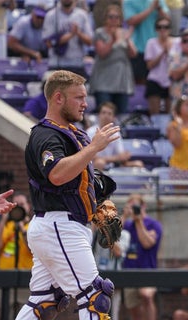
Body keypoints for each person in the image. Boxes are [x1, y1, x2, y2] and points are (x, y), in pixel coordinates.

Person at [17, 70, 121, 320]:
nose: (85, 104)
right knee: (96, 297)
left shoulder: (73, 133)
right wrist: (95, 148)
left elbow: (78, 180)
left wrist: (101, 199)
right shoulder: (45, 134)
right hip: (59, 225)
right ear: (58, 98)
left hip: (59, 225)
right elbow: (56, 174)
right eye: (78, 97)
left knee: (43, 304)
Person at [0, 193, 34, 319]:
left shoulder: (32, 227)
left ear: (28, 207)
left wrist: (21, 226)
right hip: (6, 282)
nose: (18, 208)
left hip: (26, 283)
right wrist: (4, 219)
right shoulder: (7, 227)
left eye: (21, 205)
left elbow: (33, 250)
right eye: (15, 205)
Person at [89, 4, 137, 115]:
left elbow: (133, 54)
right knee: (105, 113)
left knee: (122, 115)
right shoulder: (99, 33)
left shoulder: (124, 33)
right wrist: (113, 39)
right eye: (111, 17)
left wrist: (128, 40)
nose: (114, 20)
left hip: (122, 81)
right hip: (104, 81)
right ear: (106, 19)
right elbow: (102, 53)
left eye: (117, 17)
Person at [122, 193, 163, 320]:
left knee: (146, 295)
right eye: (131, 207)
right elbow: (113, 236)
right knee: (132, 306)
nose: (134, 209)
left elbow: (147, 244)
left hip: (147, 270)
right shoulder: (127, 225)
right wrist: (124, 215)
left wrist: (139, 221)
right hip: (129, 271)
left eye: (136, 206)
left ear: (143, 206)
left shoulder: (153, 224)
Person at [42, 0, 93, 78]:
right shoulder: (51, 15)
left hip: (76, 64)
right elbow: (48, 43)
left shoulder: (82, 15)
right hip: (56, 64)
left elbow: (90, 42)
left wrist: (78, 33)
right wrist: (71, 35)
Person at [87, 101, 144, 171]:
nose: (106, 116)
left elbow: (122, 156)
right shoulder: (91, 131)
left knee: (138, 164)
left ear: (113, 117)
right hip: (93, 164)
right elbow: (91, 156)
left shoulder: (116, 133)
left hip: (112, 164)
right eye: (103, 113)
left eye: (109, 113)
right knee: (100, 163)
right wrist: (116, 158)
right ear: (99, 115)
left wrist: (124, 156)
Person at [124, 0, 170, 85]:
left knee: (157, 82)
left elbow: (167, 20)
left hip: (157, 50)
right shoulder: (129, 2)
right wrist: (151, 9)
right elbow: (131, 21)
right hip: (139, 49)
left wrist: (158, 8)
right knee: (139, 82)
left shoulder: (159, 1)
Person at [92, 220, 131, 320]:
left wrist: (108, 233)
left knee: (113, 313)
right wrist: (96, 226)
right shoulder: (95, 232)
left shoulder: (124, 234)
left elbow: (118, 252)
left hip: (114, 278)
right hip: (96, 276)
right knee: (93, 310)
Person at [144, 16, 179, 115]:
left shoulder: (177, 42)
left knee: (172, 114)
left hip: (171, 81)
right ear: (156, 29)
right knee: (155, 115)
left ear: (170, 29)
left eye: (166, 27)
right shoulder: (151, 43)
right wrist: (163, 52)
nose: (163, 30)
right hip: (155, 80)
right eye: (160, 27)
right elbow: (149, 65)